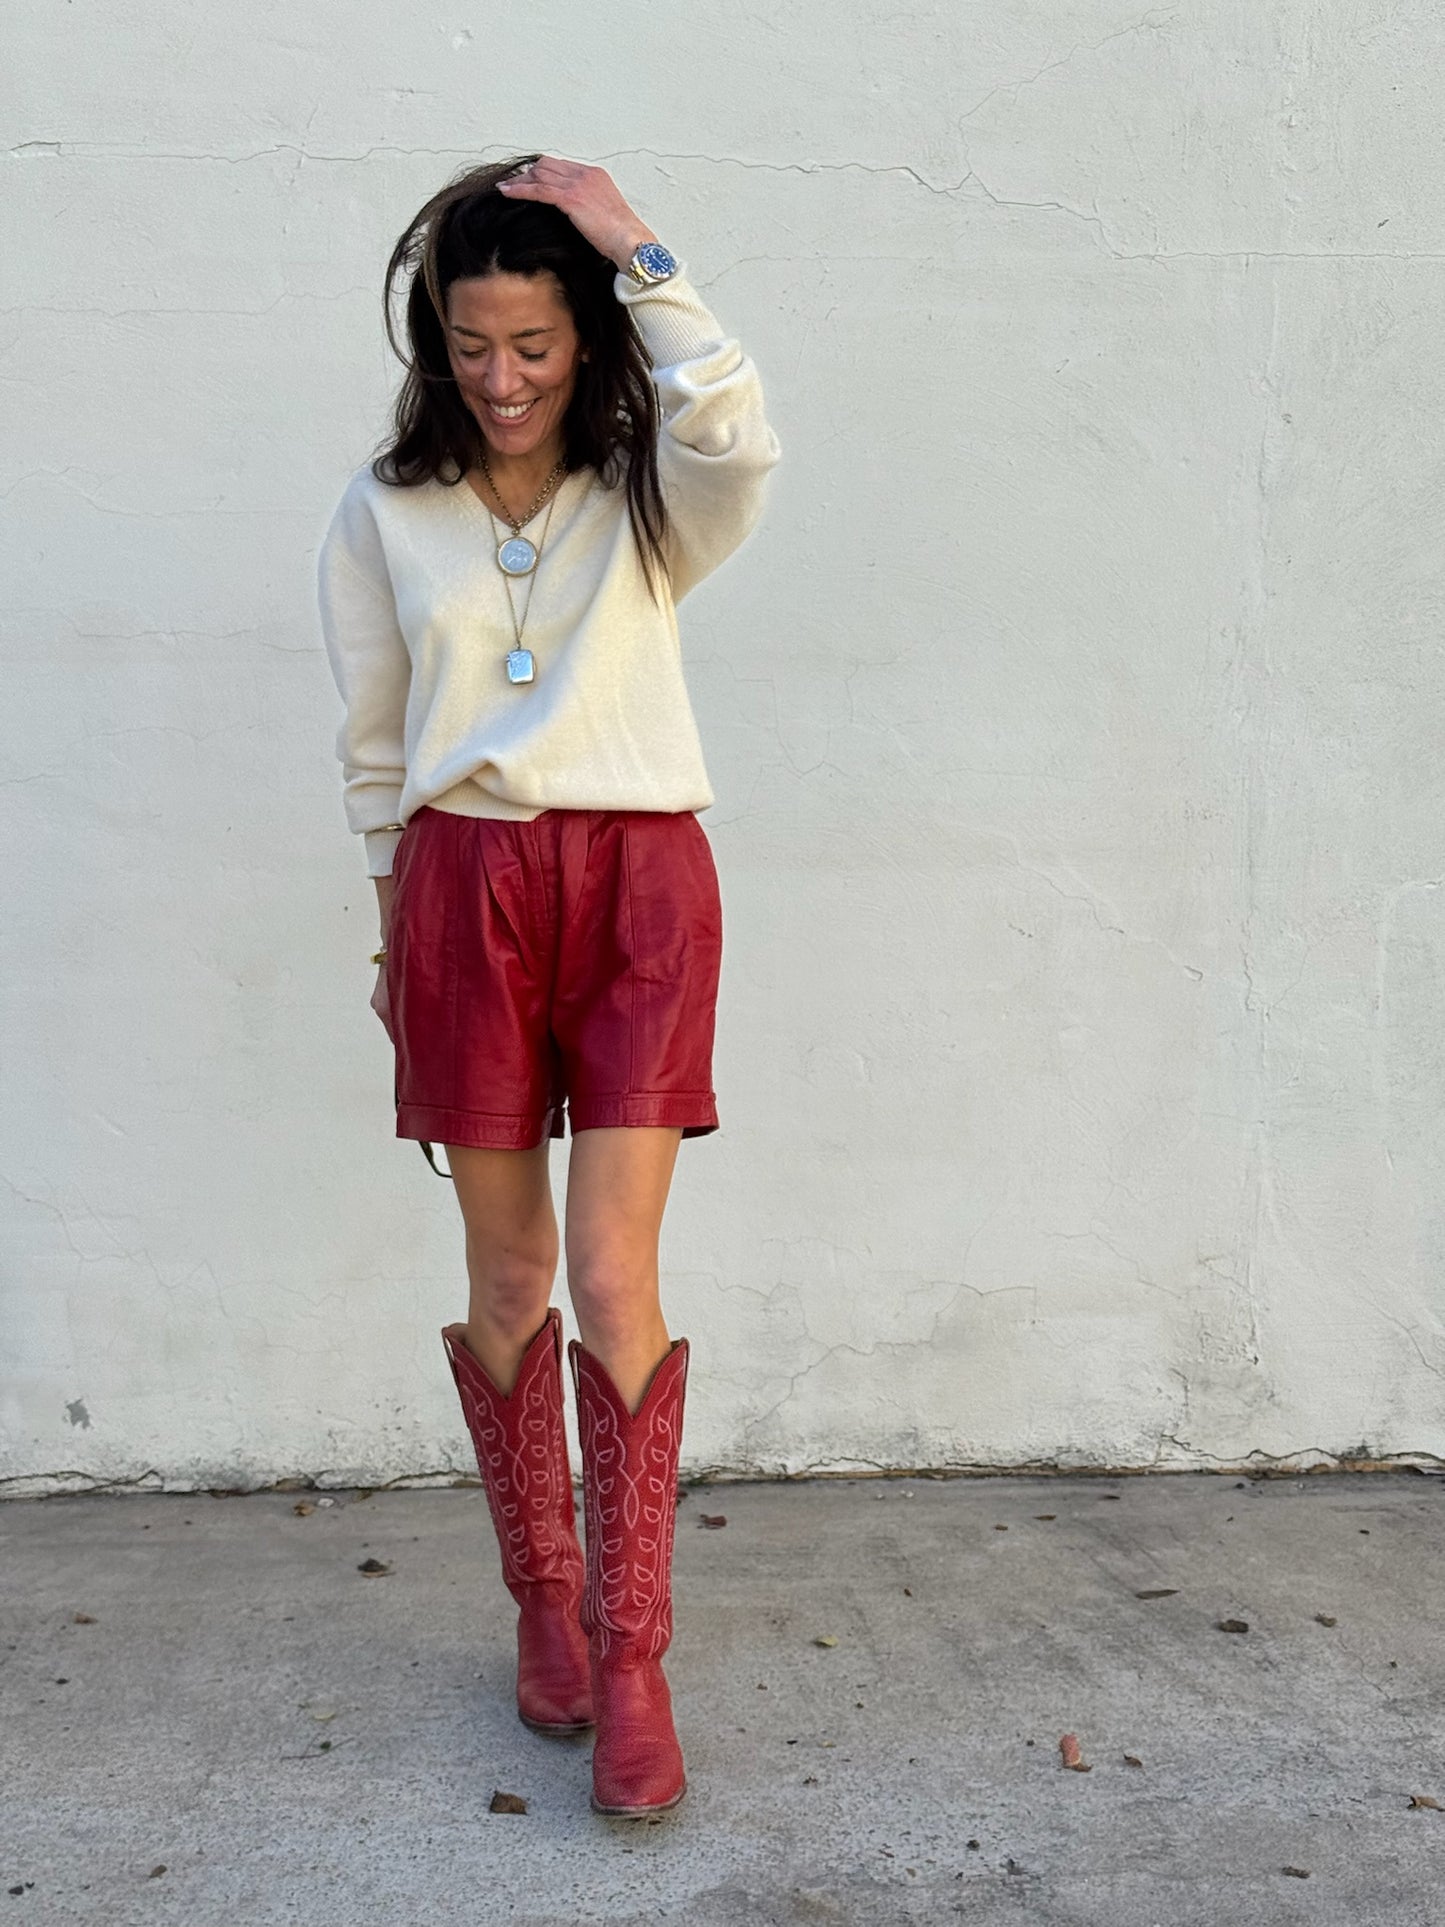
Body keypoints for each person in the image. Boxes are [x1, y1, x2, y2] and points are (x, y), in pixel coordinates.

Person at [314, 152, 780, 1818]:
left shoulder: (653, 495)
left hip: (644, 883)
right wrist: (393, 935)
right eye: (469, 345)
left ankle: (636, 1653)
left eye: (533, 341)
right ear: (434, 345)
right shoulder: (386, 509)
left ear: (583, 339)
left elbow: (734, 420)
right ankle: (546, 1612)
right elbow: (378, 751)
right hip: (461, 887)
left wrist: (631, 240)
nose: (500, 378)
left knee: (609, 1268)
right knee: (508, 1274)